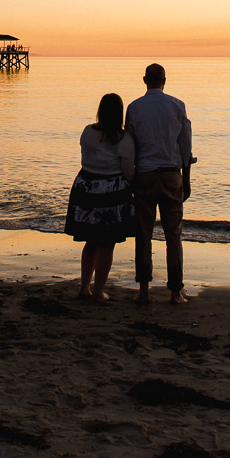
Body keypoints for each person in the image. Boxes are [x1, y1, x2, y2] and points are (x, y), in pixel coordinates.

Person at [125, 63, 193, 306]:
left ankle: (144, 290)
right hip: (170, 174)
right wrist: (186, 179)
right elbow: (185, 147)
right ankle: (175, 291)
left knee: (143, 232)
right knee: (173, 233)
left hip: (144, 174)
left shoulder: (134, 108)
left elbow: (129, 146)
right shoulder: (177, 105)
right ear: (165, 80)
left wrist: (129, 177)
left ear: (145, 80)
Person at [64, 93, 136, 302]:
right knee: (107, 243)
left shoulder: (88, 131)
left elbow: (85, 155)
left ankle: (84, 287)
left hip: (85, 187)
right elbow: (128, 171)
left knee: (91, 241)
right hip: (111, 192)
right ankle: (98, 290)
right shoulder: (124, 138)